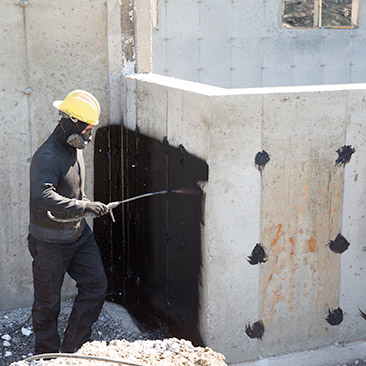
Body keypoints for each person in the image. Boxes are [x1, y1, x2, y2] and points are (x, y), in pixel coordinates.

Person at [28, 90, 109, 355]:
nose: (88, 135)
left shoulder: (74, 147)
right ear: (72, 122)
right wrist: (84, 206)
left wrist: (84, 205)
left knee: (96, 286)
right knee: (47, 304)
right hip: (50, 243)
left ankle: (73, 349)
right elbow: (42, 195)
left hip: (78, 235)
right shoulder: (48, 156)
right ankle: (48, 355)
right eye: (87, 128)